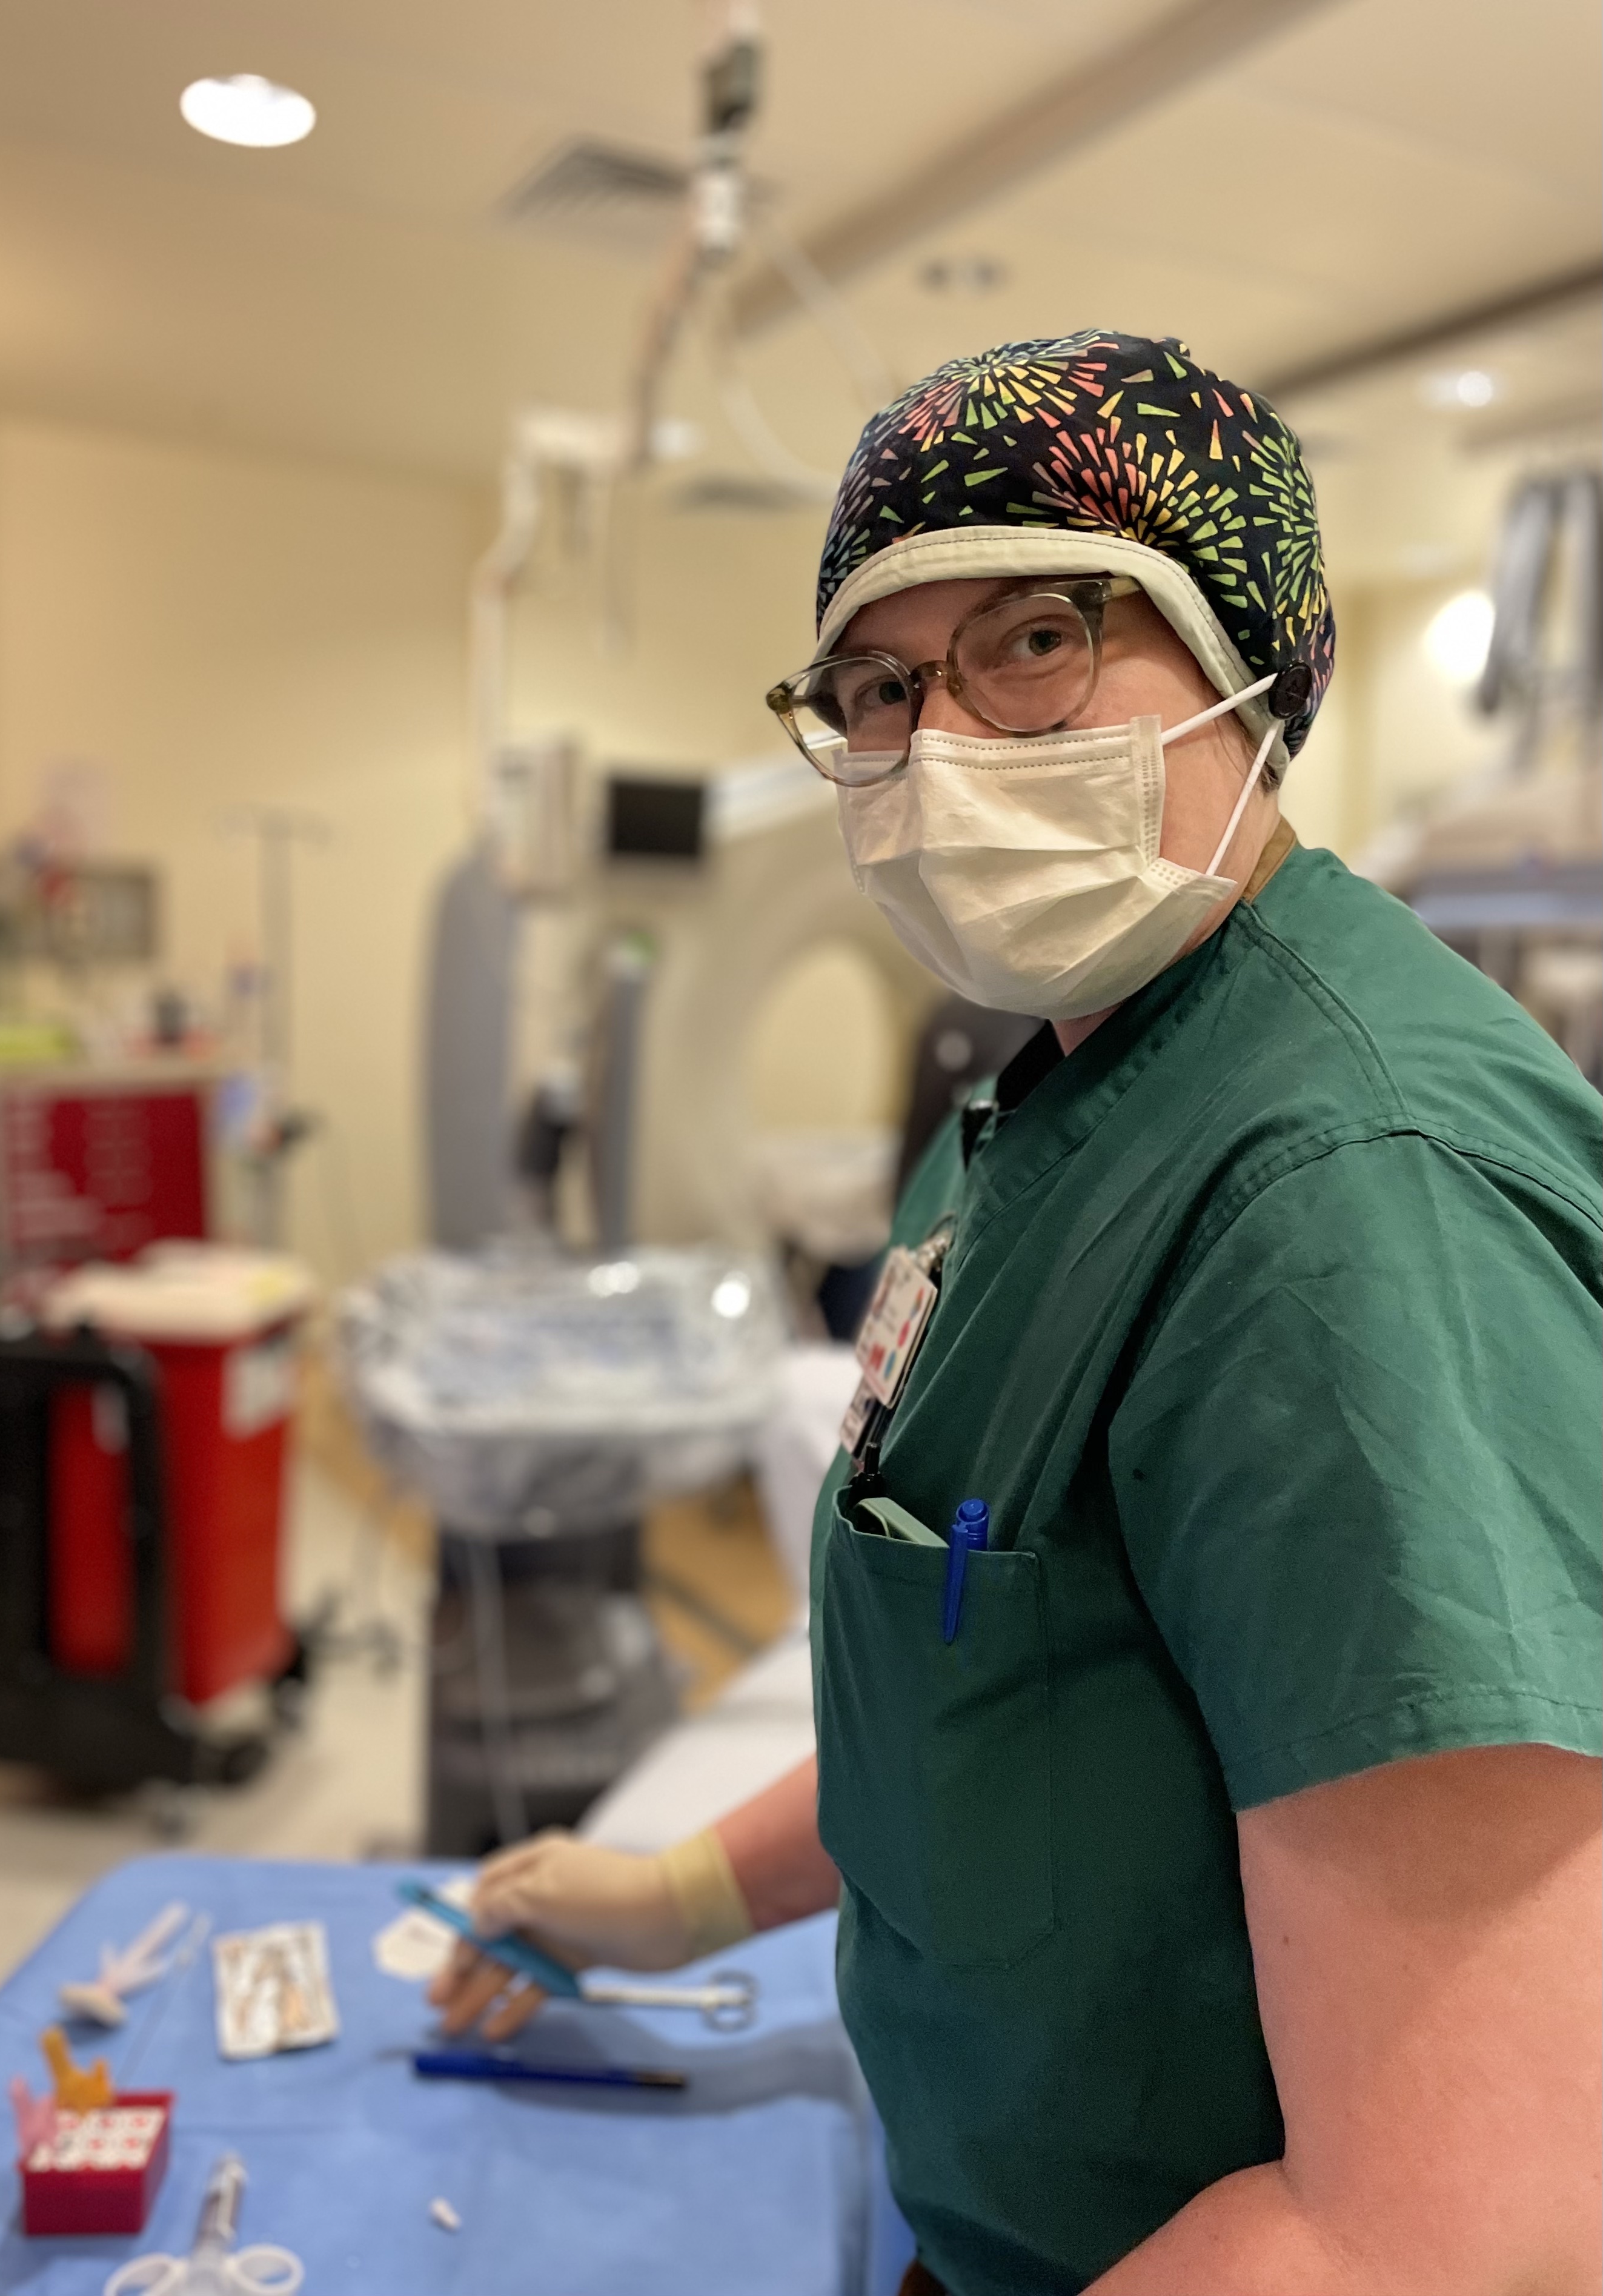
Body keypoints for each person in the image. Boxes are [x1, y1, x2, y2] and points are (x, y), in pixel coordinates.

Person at [431, 334, 1602, 2296]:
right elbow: (1003, 1684)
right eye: (877, 688)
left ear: (1251, 660)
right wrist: (674, 1896)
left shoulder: (1346, 1199)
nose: (941, 744)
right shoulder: (1059, 1088)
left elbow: (1442, 2234)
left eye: (1040, 638)